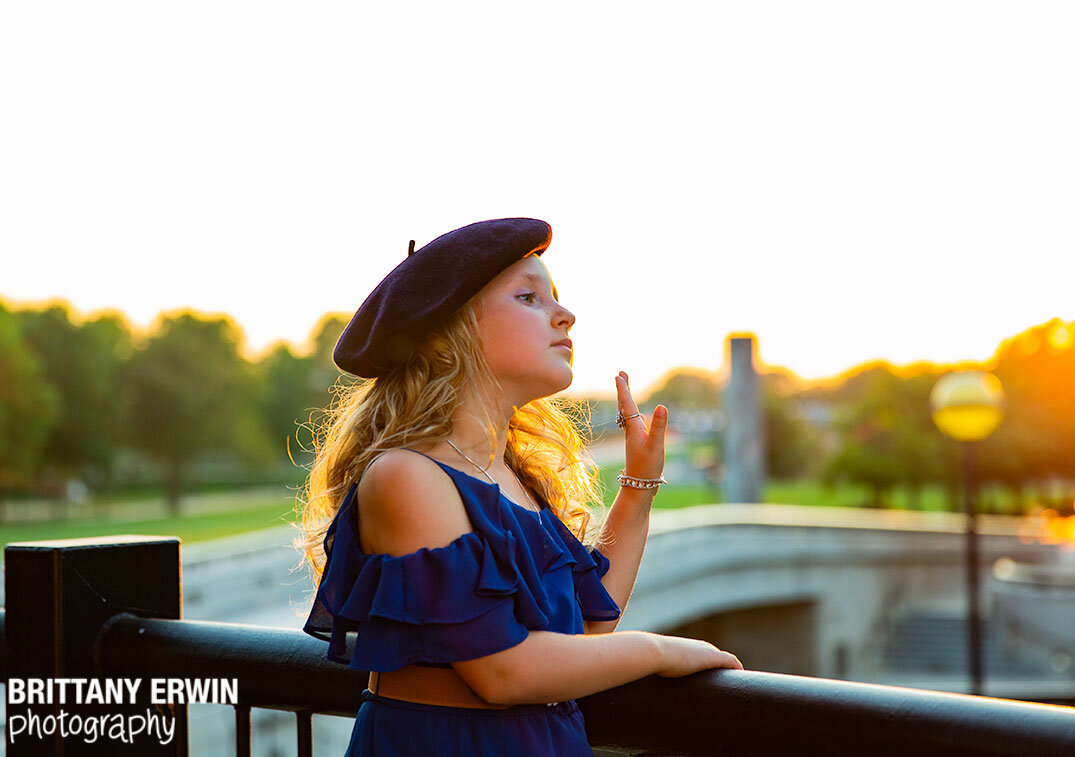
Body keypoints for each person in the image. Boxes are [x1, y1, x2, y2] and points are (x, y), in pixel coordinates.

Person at [296, 218, 742, 756]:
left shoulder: (511, 478)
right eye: (529, 297)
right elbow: (503, 672)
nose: (565, 314)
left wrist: (638, 489)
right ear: (448, 335)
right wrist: (658, 651)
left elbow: (583, 632)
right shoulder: (406, 475)